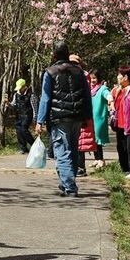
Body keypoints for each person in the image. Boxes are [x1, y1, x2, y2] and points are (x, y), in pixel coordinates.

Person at [35, 41, 93, 197]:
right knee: (73, 149)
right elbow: (87, 95)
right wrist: (88, 116)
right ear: (68, 55)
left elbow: (45, 98)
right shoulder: (79, 71)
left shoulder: (50, 72)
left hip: (59, 118)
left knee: (62, 151)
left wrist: (39, 121)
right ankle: (66, 181)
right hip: (76, 117)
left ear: (54, 55)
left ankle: (70, 187)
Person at [70, 54, 95, 176]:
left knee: (80, 142)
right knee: (76, 141)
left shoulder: (84, 75)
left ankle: (80, 167)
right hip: (73, 111)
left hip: (80, 112)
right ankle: (76, 167)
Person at [3, 77, 37, 154]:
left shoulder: (31, 95)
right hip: (19, 115)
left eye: (20, 88)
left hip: (28, 115)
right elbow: (14, 105)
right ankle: (23, 148)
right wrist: (8, 104)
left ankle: (34, 145)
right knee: (18, 129)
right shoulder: (16, 94)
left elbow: (34, 107)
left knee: (24, 129)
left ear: (24, 87)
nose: (19, 90)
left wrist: (35, 118)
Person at [87, 69, 114, 169]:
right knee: (92, 139)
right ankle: (97, 159)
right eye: (91, 78)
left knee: (98, 139)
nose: (92, 80)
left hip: (99, 118)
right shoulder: (88, 89)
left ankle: (101, 159)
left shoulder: (102, 89)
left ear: (98, 78)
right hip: (90, 117)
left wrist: (110, 100)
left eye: (94, 78)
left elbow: (108, 94)